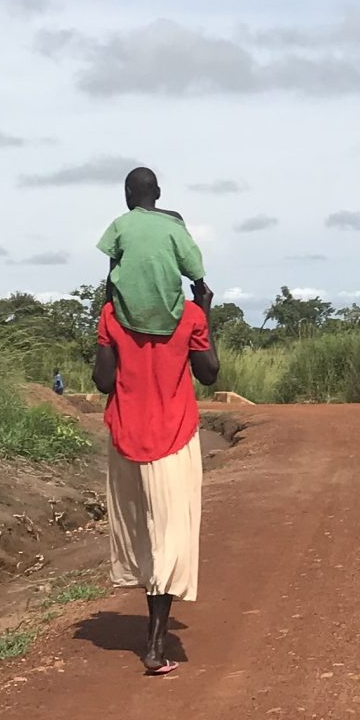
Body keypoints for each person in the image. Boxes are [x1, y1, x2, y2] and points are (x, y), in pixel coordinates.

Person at [91, 276, 219, 675]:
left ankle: (153, 640)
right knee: (171, 534)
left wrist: (110, 311)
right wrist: (204, 312)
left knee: (143, 530)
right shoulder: (189, 315)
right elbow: (209, 372)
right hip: (175, 435)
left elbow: (103, 381)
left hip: (126, 435)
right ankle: (155, 645)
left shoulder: (113, 315)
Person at [97, 166, 210, 337]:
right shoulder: (174, 224)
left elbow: (112, 273)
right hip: (170, 316)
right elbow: (195, 269)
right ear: (158, 193)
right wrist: (201, 299)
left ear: (128, 192)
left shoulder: (120, 224)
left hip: (128, 316)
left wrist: (106, 309)